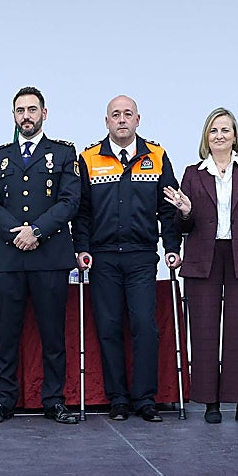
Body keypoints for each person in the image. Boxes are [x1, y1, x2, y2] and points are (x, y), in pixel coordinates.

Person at [73, 95, 179, 423]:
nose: (122, 120)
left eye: (127, 114)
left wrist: (172, 247)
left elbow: (169, 207)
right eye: (115, 115)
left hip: (142, 257)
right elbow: (82, 212)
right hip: (103, 258)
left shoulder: (157, 156)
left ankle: (145, 398)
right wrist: (82, 248)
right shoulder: (89, 158)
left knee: (145, 327)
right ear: (106, 121)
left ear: (137, 120)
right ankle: (117, 398)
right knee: (108, 327)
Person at [0, 86, 81, 425]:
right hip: (10, 260)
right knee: (7, 334)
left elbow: (69, 201)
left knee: (53, 335)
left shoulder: (65, 153)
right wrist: (17, 234)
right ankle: (4, 399)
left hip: (50, 257)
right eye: (20, 110)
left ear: (44, 114)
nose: (26, 116)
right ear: (13, 116)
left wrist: (36, 231)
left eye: (32, 109)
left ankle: (54, 400)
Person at [165, 107, 238, 426]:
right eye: (214, 130)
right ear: (206, 137)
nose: (220, 135)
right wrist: (184, 211)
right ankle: (210, 401)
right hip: (202, 258)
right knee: (205, 328)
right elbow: (183, 226)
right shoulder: (193, 173)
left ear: (235, 135)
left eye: (226, 130)